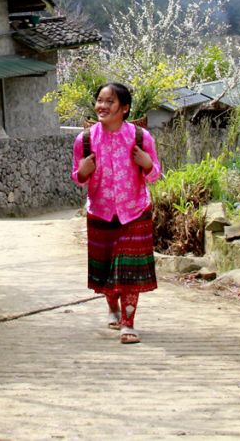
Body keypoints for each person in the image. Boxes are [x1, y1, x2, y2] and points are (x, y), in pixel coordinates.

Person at [71, 82, 162, 344]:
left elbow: (155, 174)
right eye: (100, 100)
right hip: (100, 212)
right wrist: (84, 171)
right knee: (106, 270)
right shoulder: (85, 140)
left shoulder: (141, 138)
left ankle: (128, 323)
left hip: (135, 211)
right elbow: (78, 177)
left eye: (109, 102)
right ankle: (112, 307)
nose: (102, 106)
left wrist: (146, 164)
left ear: (125, 108)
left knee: (128, 271)